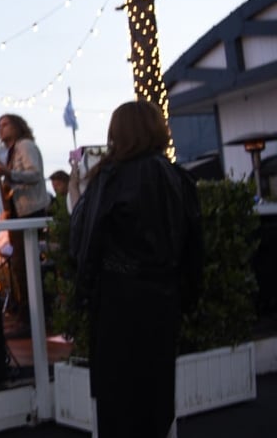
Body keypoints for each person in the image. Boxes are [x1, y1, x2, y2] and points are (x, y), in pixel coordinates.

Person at [69, 100, 204, 438]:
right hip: (164, 304)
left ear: (119, 134)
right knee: (155, 404)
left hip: (118, 306)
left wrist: (82, 296)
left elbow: (85, 245)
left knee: (120, 409)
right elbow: (195, 250)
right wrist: (186, 298)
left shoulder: (110, 179)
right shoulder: (179, 179)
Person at [0, 113, 51, 331]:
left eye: (5, 124)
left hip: (30, 211)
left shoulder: (25, 146)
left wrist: (8, 172)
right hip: (20, 212)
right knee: (20, 265)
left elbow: (34, 174)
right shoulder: (13, 151)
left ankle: (32, 317)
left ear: (17, 126)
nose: (1, 128)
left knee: (24, 265)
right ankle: (27, 314)